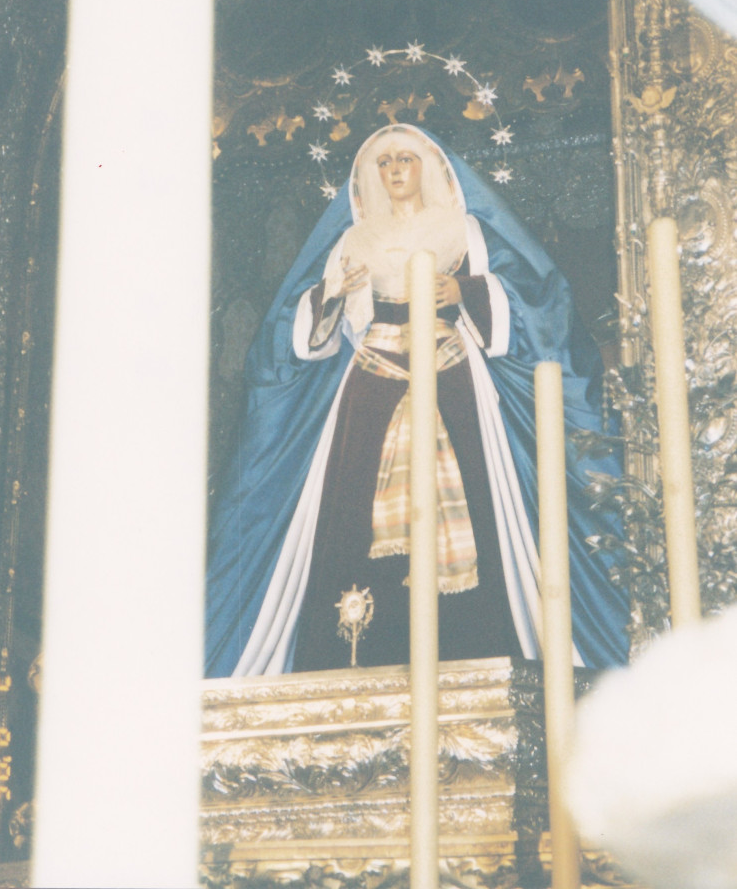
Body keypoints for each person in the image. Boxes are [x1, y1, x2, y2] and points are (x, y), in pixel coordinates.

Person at [206, 124, 628, 678]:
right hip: (372, 381)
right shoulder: (354, 240)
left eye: (406, 159)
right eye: (384, 163)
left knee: (475, 494)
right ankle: (351, 654)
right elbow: (313, 329)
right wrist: (332, 295)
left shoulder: (464, 230)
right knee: (353, 504)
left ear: (429, 167)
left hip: (452, 375)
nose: (395, 171)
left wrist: (466, 291)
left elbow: (533, 299)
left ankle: (474, 641)